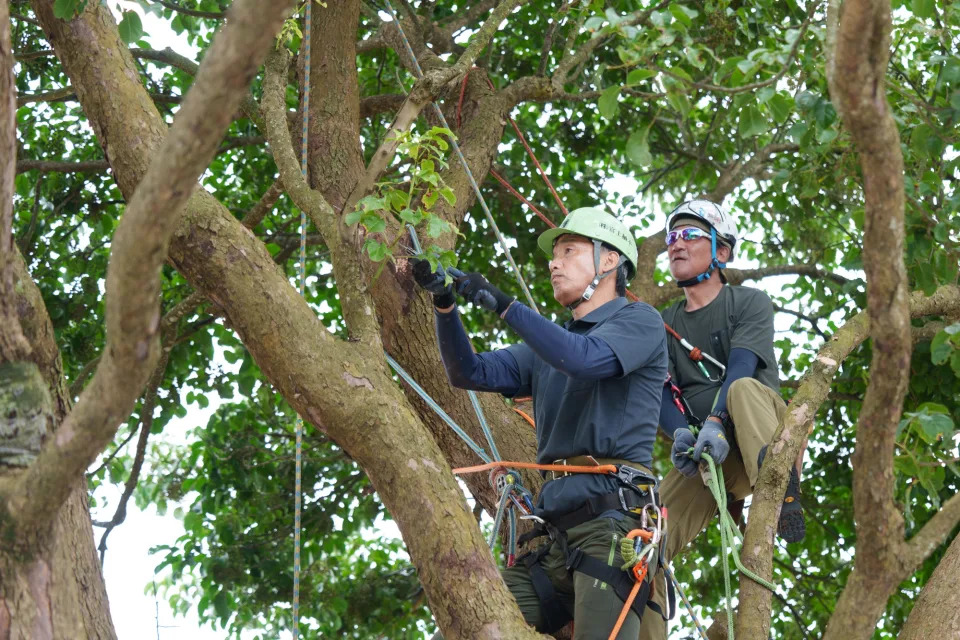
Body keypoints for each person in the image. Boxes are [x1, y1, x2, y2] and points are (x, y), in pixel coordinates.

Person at [412, 207, 669, 639]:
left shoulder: (638, 322)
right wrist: (445, 303)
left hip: (613, 528)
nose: (554, 262)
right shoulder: (547, 350)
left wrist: (502, 303)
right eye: (555, 255)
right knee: (464, 628)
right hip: (557, 540)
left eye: (569, 251)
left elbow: (584, 360)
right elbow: (468, 372)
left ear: (609, 261)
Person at [637, 199, 806, 640]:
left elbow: (743, 365)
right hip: (712, 460)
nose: (676, 245)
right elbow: (657, 390)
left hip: (761, 435)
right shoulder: (661, 323)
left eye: (690, 235)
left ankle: (780, 492)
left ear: (722, 252)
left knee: (740, 390)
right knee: (641, 539)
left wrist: (714, 420)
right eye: (671, 238)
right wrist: (679, 433)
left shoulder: (747, 302)